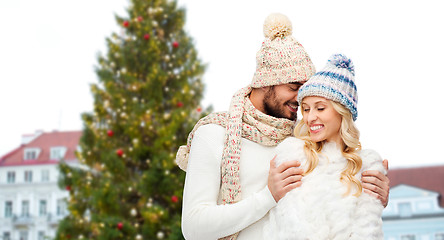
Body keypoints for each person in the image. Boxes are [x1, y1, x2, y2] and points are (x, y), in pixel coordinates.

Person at [176, 13, 389, 240]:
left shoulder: (305, 141)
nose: (300, 100)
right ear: (265, 83)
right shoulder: (215, 134)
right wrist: (268, 197)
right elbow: (193, 228)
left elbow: (334, 207)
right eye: (293, 87)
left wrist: (372, 197)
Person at [264, 54, 385, 239]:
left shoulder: (366, 166)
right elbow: (283, 228)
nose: (310, 117)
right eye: (305, 109)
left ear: (342, 112)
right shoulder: (293, 156)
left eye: (320, 108)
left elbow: (368, 231)